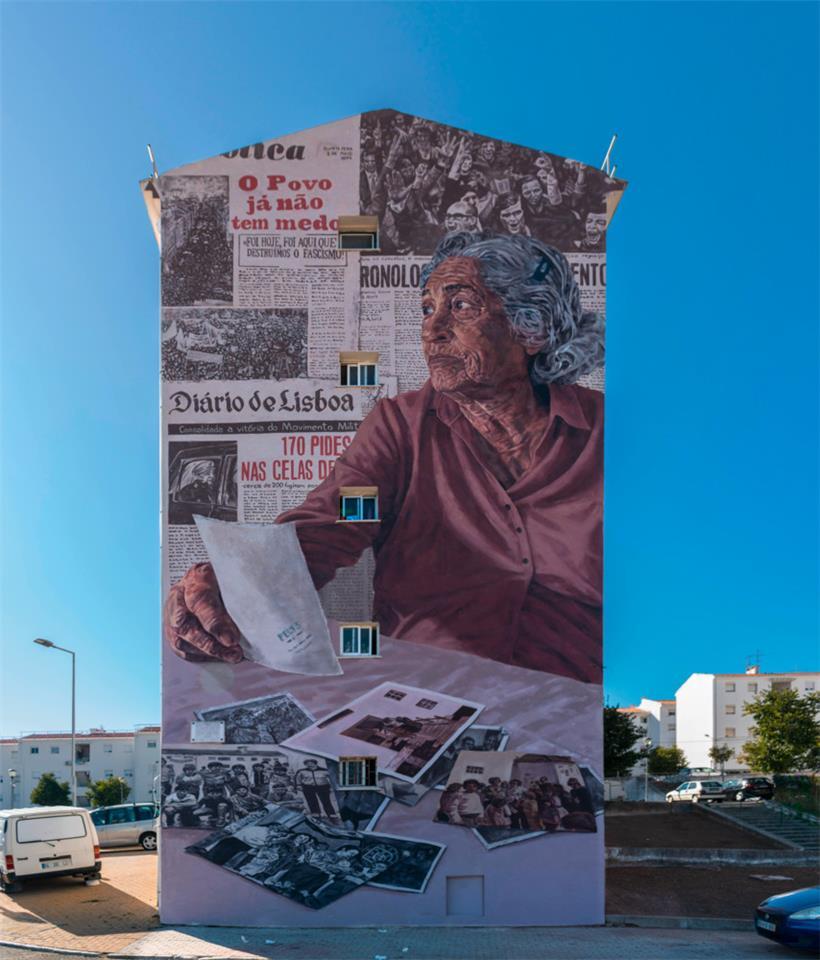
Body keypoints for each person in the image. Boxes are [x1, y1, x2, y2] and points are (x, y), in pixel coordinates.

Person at [165, 232, 603, 683]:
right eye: (427, 309)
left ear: (531, 328)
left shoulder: (604, 434)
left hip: (570, 700)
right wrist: (231, 580)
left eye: (462, 306)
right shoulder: (402, 428)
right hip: (430, 692)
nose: (433, 330)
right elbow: (328, 527)